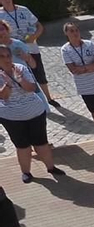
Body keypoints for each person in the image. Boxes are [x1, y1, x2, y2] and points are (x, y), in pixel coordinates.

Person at [0, 43, 59, 184]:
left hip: (35, 113)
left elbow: (31, 88)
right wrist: (7, 84)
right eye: (2, 56)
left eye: (8, 55)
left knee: (41, 143)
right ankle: (26, 172)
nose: (7, 59)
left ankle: (51, 167)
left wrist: (20, 79)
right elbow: (3, 96)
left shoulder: (21, 69)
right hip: (12, 117)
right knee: (22, 146)